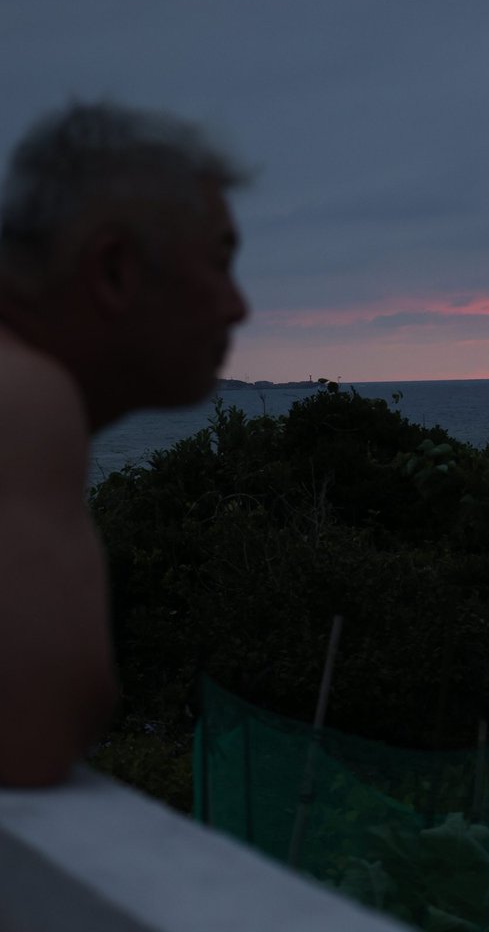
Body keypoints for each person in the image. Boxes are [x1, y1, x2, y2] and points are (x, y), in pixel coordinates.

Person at [0, 101, 249, 786]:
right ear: (114, 270)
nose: (239, 306)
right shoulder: (23, 393)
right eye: (220, 263)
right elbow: (31, 733)